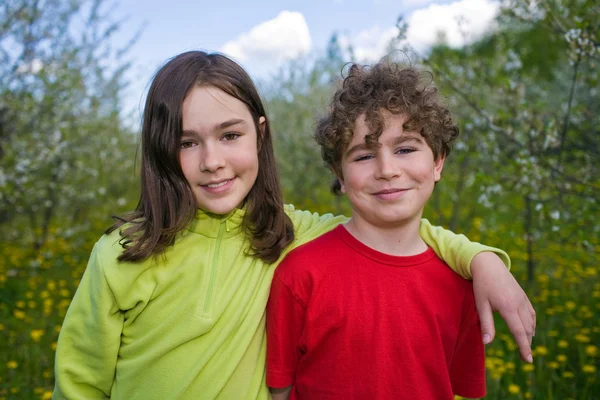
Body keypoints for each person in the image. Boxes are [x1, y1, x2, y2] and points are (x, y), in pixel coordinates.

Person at [53, 51, 534, 400]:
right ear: (162, 149)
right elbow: (80, 380)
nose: (213, 161)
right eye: (186, 142)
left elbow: (393, 227)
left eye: (230, 135)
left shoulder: (291, 233)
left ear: (259, 134)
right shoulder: (123, 252)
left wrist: (483, 260)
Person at [266, 60, 521, 399]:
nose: (387, 170)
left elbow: (458, 388)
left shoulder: (464, 285)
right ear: (339, 176)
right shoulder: (300, 273)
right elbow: (280, 391)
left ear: (438, 162)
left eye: (404, 149)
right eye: (363, 156)